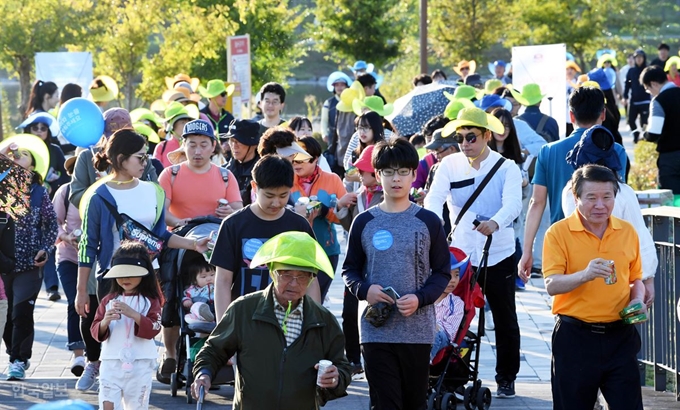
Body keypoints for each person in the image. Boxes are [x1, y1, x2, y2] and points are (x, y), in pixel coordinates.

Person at [75, 129, 209, 390]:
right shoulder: (99, 196)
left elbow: (160, 237)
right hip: (113, 278)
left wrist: (193, 244)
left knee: (144, 336)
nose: (145, 162)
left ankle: (137, 394)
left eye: (146, 157)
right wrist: (81, 291)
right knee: (113, 341)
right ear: (122, 159)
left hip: (150, 276)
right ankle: (109, 390)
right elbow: (87, 246)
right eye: (139, 157)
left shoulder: (153, 191)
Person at [343, 138, 450, 409]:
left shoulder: (429, 221)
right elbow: (349, 270)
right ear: (378, 175)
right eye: (388, 172)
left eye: (403, 171)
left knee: (414, 403)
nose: (396, 179)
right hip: (375, 330)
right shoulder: (364, 221)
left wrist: (421, 298)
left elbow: (442, 273)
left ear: (414, 175)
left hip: (418, 331)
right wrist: (365, 290)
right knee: (385, 403)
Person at [424, 107, 522, 398]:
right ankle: (452, 375)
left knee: (505, 318)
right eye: (460, 137)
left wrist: (496, 222)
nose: (465, 143)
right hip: (460, 256)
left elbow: (514, 204)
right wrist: (433, 234)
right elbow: (433, 201)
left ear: (487, 136)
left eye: (471, 137)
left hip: (499, 252)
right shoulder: (449, 165)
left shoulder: (507, 167)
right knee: (453, 317)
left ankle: (507, 377)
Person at [192, 231, 351, 408]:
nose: (293, 283)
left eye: (303, 276)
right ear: (272, 272)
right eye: (286, 274)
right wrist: (204, 374)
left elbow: (341, 365)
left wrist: (335, 378)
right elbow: (214, 350)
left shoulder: (323, 320)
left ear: (312, 279)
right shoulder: (244, 309)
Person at [543, 164, 645, 410]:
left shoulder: (626, 231)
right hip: (575, 338)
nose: (600, 205)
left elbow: (635, 278)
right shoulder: (558, 233)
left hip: (620, 336)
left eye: (607, 197)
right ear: (576, 197)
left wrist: (638, 299)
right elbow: (552, 285)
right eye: (591, 198)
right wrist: (585, 275)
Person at [518, 87, 630, 284]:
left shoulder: (548, 151)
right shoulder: (616, 150)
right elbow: (620, 200)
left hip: (561, 240)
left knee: (563, 300)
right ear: (603, 114)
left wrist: (527, 251)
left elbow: (537, 203)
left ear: (571, 115)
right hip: (605, 241)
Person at [210, 154, 319, 321]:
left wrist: (314, 321)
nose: (276, 202)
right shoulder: (233, 225)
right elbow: (223, 281)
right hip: (244, 318)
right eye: (269, 196)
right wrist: (223, 327)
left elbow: (311, 279)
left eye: (283, 195)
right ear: (255, 187)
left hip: (288, 319)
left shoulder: (299, 225)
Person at [561, 125, 657, 307]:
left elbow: (575, 236)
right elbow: (641, 237)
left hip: (590, 284)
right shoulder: (625, 190)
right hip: (623, 280)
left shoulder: (571, 191)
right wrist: (648, 280)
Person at [1, 135, 57, 381]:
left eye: (22, 154)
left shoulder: (39, 193)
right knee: (6, 316)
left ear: (32, 165)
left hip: (29, 264)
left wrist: (45, 248)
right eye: (14, 154)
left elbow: (51, 224)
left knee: (21, 312)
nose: (17, 156)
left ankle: (18, 360)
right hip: (2, 263)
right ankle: (13, 349)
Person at [91, 241, 163, 410]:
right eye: (121, 274)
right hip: (111, 362)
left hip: (140, 362)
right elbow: (95, 330)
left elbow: (155, 327)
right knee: (107, 405)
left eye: (131, 273)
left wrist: (134, 315)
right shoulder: (108, 300)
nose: (125, 279)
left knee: (137, 406)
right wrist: (105, 322)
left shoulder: (150, 301)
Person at [336, 145, 381, 376]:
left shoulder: (389, 195)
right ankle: (353, 358)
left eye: (364, 172)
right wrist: (342, 207)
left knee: (377, 313)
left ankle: (373, 358)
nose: (361, 176)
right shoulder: (360, 196)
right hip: (356, 262)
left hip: (378, 262)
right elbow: (349, 227)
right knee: (349, 312)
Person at [290, 137, 352, 300]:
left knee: (315, 302)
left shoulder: (332, 179)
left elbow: (345, 219)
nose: (296, 163)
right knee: (295, 300)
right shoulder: (287, 180)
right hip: (292, 251)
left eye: (302, 159)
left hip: (326, 250)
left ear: (315, 159)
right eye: (293, 158)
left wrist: (324, 211)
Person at [19, 112, 69, 301]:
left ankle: (52, 287)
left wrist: (53, 182)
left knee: (48, 243)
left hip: (50, 203)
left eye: (43, 128)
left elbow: (66, 178)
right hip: (25, 206)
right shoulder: (21, 150)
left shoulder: (55, 150)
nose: (40, 132)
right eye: (35, 128)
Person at [158, 119, 242, 228]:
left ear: (213, 146)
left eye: (203, 145)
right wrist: (178, 223)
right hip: (180, 239)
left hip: (216, 239)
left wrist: (230, 212)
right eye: (192, 145)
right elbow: (161, 211)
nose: (197, 151)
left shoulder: (226, 176)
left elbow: (239, 212)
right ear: (184, 145)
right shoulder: (170, 174)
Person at [70, 107, 157, 208]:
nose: (118, 145)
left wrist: (130, 189)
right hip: (100, 220)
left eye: (123, 139)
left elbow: (156, 192)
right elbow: (75, 196)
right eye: (113, 140)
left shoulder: (141, 157)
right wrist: (100, 190)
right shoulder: (87, 156)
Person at [52, 156, 87, 376]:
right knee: (75, 301)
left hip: (97, 258)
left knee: (97, 303)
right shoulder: (64, 192)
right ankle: (78, 355)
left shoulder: (102, 189)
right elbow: (53, 221)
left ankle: (97, 354)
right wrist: (66, 236)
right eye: (77, 169)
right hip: (68, 256)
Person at [641, 65, 680, 194]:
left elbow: (653, 133)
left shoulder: (659, 101)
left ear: (653, 84)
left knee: (672, 198)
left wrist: (644, 134)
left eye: (648, 89)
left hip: (671, 158)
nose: (649, 93)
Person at [430, 252, 467, 362]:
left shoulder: (456, 303)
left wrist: (433, 325)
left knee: (433, 336)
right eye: (448, 275)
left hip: (442, 336)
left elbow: (450, 330)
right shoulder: (426, 297)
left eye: (456, 275)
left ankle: (422, 367)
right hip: (421, 331)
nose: (453, 280)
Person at [224, 119, 261, 206]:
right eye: (231, 140)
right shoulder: (223, 171)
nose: (234, 146)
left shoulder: (264, 172)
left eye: (238, 141)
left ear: (254, 145)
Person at [153, 102, 197, 168]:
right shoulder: (161, 147)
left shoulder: (195, 145)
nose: (186, 125)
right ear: (172, 126)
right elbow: (155, 170)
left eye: (188, 122)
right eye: (182, 122)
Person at [623, 49, 650, 143]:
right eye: (637, 57)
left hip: (645, 100)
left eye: (640, 57)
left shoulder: (648, 70)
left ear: (644, 58)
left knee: (644, 122)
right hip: (633, 100)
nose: (639, 59)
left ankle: (644, 138)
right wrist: (625, 96)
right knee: (630, 120)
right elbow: (627, 84)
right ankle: (636, 134)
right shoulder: (631, 71)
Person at [182, 258, 216, 326]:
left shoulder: (218, 286)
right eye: (204, 277)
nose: (209, 278)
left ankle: (210, 319)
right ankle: (204, 316)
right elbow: (186, 296)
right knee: (196, 306)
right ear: (195, 280)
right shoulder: (193, 290)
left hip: (216, 308)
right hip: (200, 309)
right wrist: (186, 301)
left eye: (212, 275)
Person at [321, 72, 352, 144]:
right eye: (337, 85)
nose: (339, 87)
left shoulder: (351, 101)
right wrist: (324, 133)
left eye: (342, 85)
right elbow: (324, 120)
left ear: (346, 86)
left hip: (349, 136)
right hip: (333, 136)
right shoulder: (328, 102)